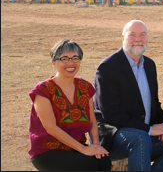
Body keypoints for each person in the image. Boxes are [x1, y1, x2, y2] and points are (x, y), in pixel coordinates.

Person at [94, 20, 163, 171]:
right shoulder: (108, 68)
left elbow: (154, 103)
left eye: (143, 35)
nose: (138, 39)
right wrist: (149, 130)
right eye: (132, 35)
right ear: (123, 38)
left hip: (145, 134)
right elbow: (111, 115)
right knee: (141, 139)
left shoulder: (149, 64)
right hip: (116, 136)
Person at [28, 39, 111, 171]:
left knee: (103, 160)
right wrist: (83, 149)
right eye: (64, 59)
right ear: (54, 63)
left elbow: (92, 122)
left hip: (75, 149)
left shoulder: (85, 87)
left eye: (75, 58)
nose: (71, 63)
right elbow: (51, 128)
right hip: (47, 151)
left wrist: (96, 145)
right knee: (89, 166)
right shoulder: (43, 90)